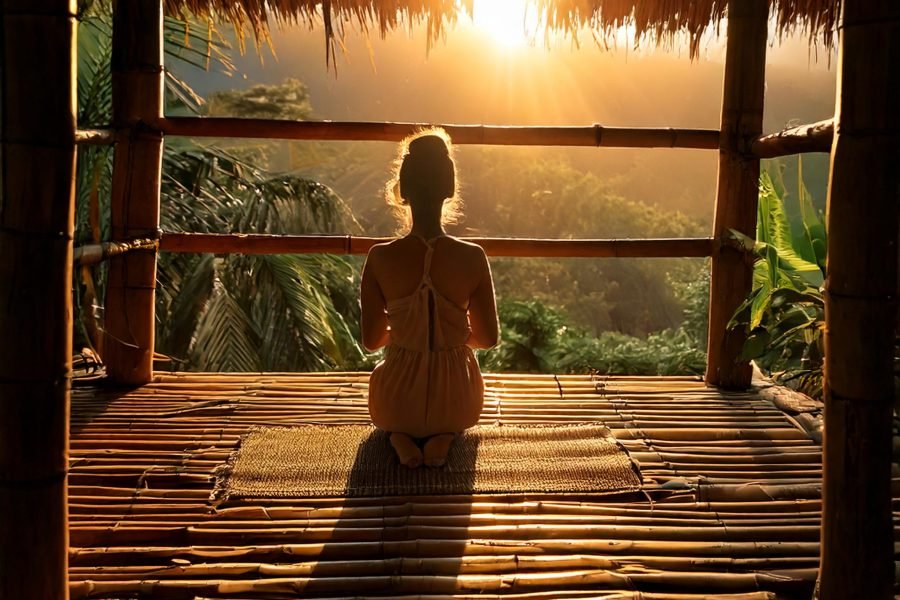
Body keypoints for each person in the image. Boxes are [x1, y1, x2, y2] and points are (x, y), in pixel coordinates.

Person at [360, 129, 499, 469]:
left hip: (395, 402)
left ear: (402, 190)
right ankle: (443, 436)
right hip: (458, 401)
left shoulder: (380, 258)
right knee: (447, 418)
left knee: (395, 409)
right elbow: (488, 338)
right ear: (449, 189)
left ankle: (400, 436)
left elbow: (371, 341)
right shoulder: (473, 257)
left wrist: (410, 330)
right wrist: (448, 331)